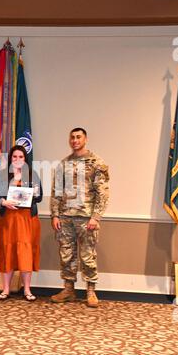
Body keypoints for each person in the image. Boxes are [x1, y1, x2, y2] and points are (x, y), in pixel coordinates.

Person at [50, 127, 109, 307]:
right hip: (66, 217)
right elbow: (56, 192)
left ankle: (91, 291)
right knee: (66, 255)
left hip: (86, 218)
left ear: (85, 139)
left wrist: (96, 217)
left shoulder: (96, 162)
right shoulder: (63, 164)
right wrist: (55, 215)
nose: (75, 140)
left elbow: (102, 192)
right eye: (72, 138)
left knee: (88, 256)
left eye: (78, 137)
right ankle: (68, 290)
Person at [0, 145, 42, 301]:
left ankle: (27, 290)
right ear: (10, 159)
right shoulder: (2, 176)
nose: (17, 159)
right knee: (8, 252)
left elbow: (39, 196)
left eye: (21, 157)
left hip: (27, 219)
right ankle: (6, 289)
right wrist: (3, 201)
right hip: (8, 220)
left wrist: (28, 196)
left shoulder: (32, 175)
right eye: (14, 157)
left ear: (25, 159)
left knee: (25, 252)